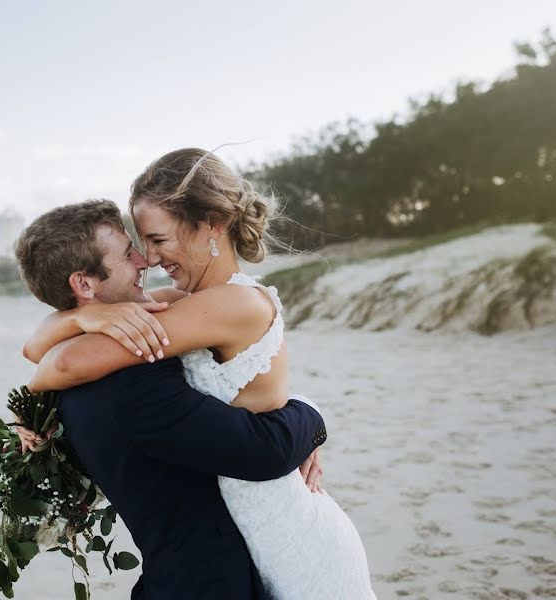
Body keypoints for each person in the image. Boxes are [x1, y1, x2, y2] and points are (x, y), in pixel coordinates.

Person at [23, 149, 377, 599]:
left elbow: (60, 362)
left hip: (288, 532)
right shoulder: (183, 301)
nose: (148, 259)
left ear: (211, 223)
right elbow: (36, 345)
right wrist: (79, 319)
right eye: (140, 243)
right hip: (248, 532)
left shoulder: (232, 303)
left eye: (157, 239)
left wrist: (310, 418)